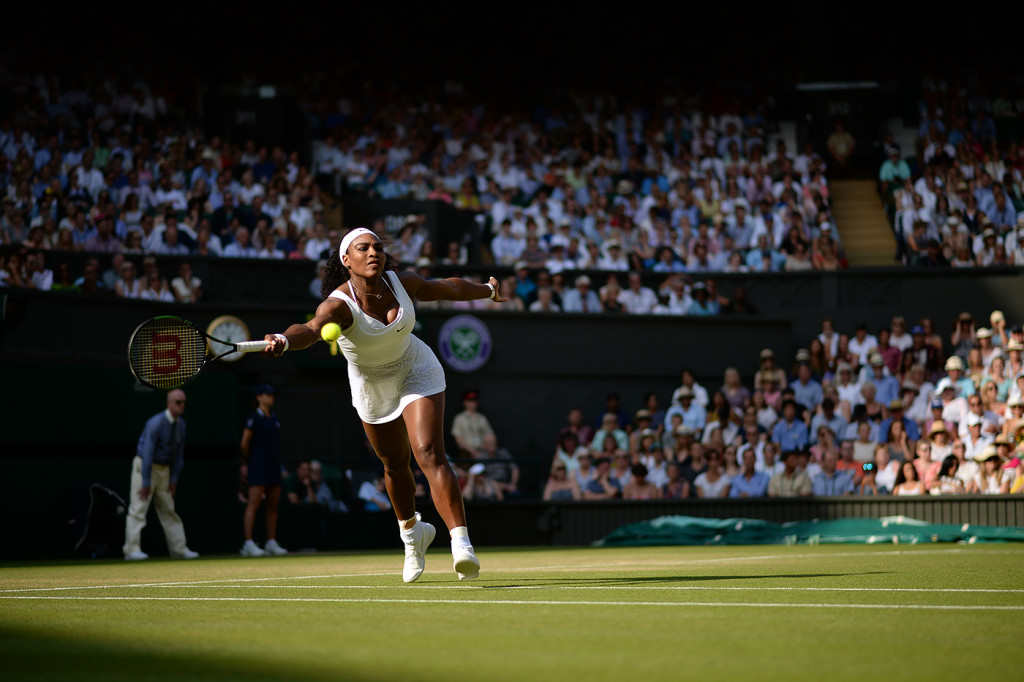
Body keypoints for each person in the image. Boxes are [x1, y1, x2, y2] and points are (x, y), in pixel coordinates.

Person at [261, 227, 504, 583]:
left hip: (415, 368)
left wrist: (488, 290)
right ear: (347, 260)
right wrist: (284, 338)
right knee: (394, 465)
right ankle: (412, 536)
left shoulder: (401, 282)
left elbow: (450, 287)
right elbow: (311, 329)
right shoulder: (337, 306)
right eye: (363, 248)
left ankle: (461, 544)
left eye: (377, 247)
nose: (374, 252)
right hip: (371, 386)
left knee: (429, 452)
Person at [122, 389, 199, 561]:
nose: (182, 405)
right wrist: (146, 481)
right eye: (178, 402)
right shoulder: (156, 423)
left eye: (184, 402)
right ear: (169, 403)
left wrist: (173, 479)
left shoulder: (181, 425)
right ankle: (131, 550)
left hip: (165, 470)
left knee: (168, 509)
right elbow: (148, 452)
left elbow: (179, 455)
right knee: (138, 508)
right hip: (144, 467)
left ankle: (179, 549)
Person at [239, 384, 289, 557]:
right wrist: (252, 461)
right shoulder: (254, 418)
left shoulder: (274, 418)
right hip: (258, 466)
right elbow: (244, 444)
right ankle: (248, 543)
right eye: (267, 394)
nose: (271, 397)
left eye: (272, 394)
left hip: (273, 466)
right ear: (259, 397)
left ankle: (271, 542)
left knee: (273, 505)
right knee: (253, 504)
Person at [450, 389, 495, 459]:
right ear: (465, 402)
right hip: (468, 452)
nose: (473, 402)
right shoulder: (459, 418)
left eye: (475, 400)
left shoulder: (482, 418)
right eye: (470, 400)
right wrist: (473, 451)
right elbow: (459, 440)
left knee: (503, 454)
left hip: (483, 450)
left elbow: (490, 435)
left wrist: (490, 447)